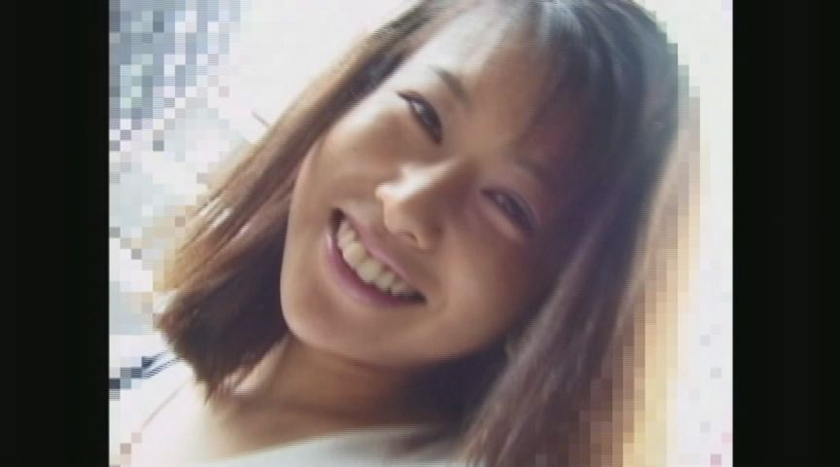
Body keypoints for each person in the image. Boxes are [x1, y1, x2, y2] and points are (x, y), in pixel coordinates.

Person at [123, 0, 686, 465]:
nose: (407, 208)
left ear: (562, 295)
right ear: (357, 93)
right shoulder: (166, 368)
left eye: (509, 204)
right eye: (424, 115)